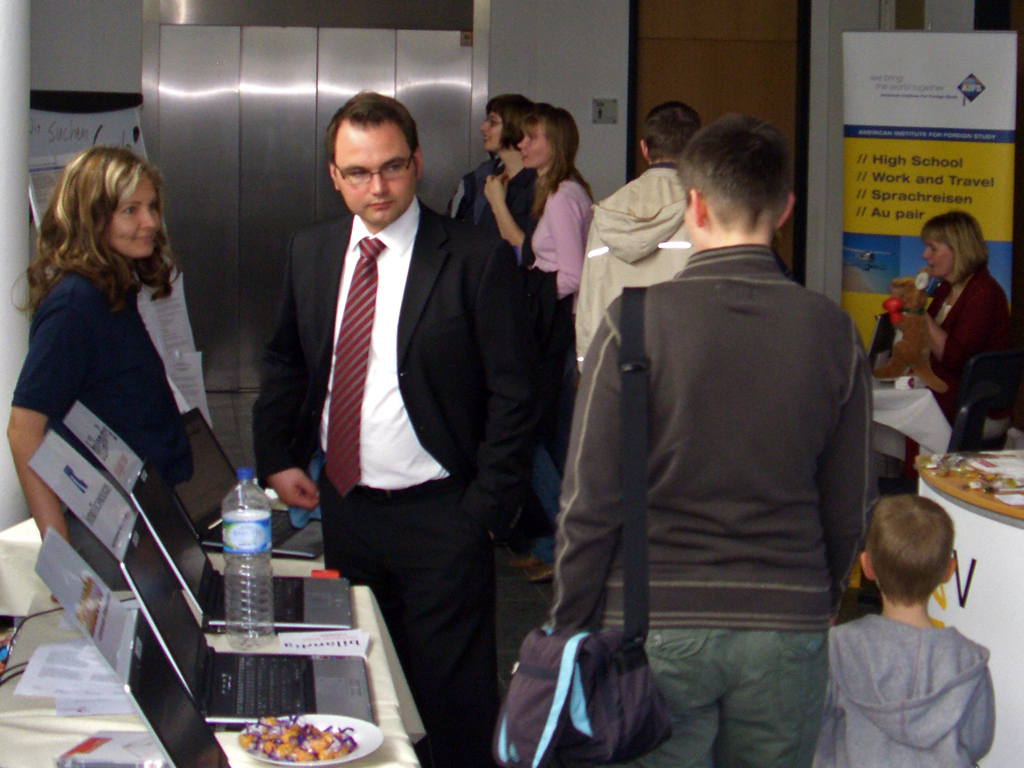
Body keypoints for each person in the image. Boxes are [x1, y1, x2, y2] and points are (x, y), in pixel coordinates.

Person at [550, 114, 875, 768]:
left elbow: (589, 501)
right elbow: (852, 501)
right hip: (787, 620)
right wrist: (821, 596)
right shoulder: (833, 331)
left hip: (654, 619)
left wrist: (566, 624)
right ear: (785, 208)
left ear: (692, 205)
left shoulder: (634, 323)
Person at [252, 92, 536, 768]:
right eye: (357, 172)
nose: (376, 187)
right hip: (347, 510)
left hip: (444, 516)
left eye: (392, 167)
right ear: (334, 175)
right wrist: (278, 456)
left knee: (452, 704)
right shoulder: (312, 251)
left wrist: (485, 511)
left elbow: (516, 392)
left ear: (417, 163)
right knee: (361, 691)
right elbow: (287, 361)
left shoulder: (473, 256)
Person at [8, 146, 192, 541]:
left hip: (148, 512)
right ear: (90, 219)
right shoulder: (74, 305)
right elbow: (23, 430)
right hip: (108, 528)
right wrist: (59, 548)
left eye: (152, 207)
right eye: (130, 210)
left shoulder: (112, 290)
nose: (150, 222)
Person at [484, 103, 593, 582]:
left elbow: (572, 274)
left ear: (557, 144)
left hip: (553, 328)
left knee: (533, 436)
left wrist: (533, 286)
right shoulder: (556, 192)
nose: (522, 144)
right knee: (540, 437)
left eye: (533, 138)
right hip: (550, 324)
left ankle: (561, 541)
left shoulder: (564, 197)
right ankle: (552, 543)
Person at [813, 495, 994, 767]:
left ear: (867, 566)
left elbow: (813, 725)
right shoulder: (969, 662)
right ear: (949, 571)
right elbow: (977, 743)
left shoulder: (838, 646)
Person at [575, 100, 700, 365]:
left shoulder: (607, 213)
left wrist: (587, 367)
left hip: (614, 361)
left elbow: (589, 300)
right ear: (698, 150)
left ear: (644, 148)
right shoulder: (704, 212)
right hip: (682, 365)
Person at [921, 210, 1011, 422]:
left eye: (933, 248)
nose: (925, 255)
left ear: (958, 251)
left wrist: (918, 312)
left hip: (973, 405)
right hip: (946, 392)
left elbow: (954, 360)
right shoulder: (946, 288)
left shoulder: (982, 294)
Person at [450, 93, 536, 238]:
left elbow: (526, 248)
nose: (483, 127)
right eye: (486, 120)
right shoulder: (483, 177)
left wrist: (497, 203)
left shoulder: (536, 184)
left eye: (493, 122)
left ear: (514, 128)